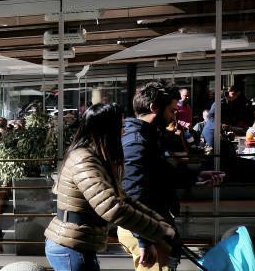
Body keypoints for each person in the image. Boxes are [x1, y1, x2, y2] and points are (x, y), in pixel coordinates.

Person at [45, 103, 174, 271]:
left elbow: (123, 200)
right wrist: (158, 231)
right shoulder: (85, 160)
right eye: (120, 126)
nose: (124, 132)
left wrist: (160, 225)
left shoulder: (93, 156)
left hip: (76, 244)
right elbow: (112, 207)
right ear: (107, 129)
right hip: (71, 245)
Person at [120, 84, 219, 271]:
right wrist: (144, 241)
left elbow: (163, 173)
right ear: (154, 108)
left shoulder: (145, 137)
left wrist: (196, 175)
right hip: (145, 229)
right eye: (172, 110)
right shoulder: (137, 142)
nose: (174, 116)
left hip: (149, 226)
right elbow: (133, 194)